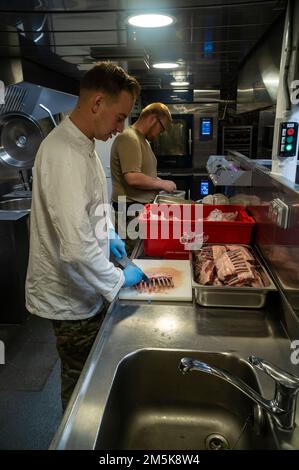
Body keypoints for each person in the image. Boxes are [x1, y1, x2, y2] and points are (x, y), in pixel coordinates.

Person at [25, 62, 146, 410]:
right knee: (81, 385)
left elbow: (94, 205)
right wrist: (120, 277)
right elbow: (77, 249)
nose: (121, 127)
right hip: (68, 296)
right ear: (97, 104)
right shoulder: (62, 153)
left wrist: (108, 233)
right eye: (119, 117)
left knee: (93, 375)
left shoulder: (85, 145)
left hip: (85, 283)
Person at [110, 102, 177, 253]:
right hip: (129, 211)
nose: (160, 134)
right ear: (153, 119)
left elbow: (143, 173)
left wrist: (157, 181)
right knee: (130, 257)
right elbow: (132, 177)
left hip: (136, 210)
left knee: (140, 254)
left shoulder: (141, 140)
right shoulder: (130, 138)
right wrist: (162, 184)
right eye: (161, 129)